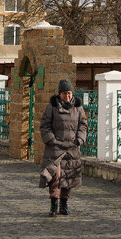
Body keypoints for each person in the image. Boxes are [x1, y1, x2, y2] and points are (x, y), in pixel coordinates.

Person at [39, 79, 88, 217]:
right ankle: (54, 204)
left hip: (72, 147)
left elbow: (83, 125)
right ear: (59, 94)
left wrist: (80, 139)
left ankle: (64, 204)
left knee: (68, 176)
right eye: (64, 93)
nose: (67, 96)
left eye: (69, 93)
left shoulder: (78, 108)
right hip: (56, 147)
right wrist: (52, 140)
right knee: (55, 175)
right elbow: (45, 125)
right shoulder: (52, 107)